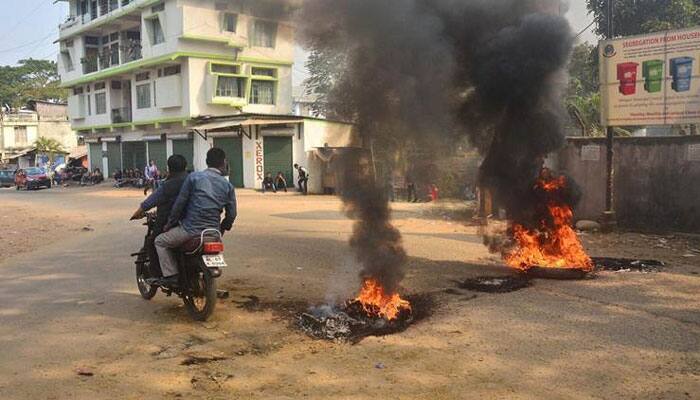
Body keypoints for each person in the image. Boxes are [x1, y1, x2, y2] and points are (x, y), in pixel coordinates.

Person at [155, 148, 237, 286]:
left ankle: (171, 276)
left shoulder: (194, 177)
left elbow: (180, 204)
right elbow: (232, 214)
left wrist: (169, 224)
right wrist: (223, 228)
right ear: (224, 163)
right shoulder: (228, 185)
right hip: (213, 232)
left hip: (190, 230)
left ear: (206, 162)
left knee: (160, 241)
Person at [131, 155, 189, 277]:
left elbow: (150, 201)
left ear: (169, 168)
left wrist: (137, 213)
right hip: (194, 221)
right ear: (186, 166)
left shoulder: (168, 185)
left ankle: (161, 274)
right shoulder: (193, 180)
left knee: (153, 242)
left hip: (172, 222)